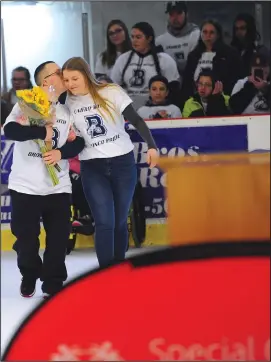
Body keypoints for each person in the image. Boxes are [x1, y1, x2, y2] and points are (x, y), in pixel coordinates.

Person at [62, 56, 159, 268]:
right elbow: (67, 134)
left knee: (119, 221)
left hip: (122, 164)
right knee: (105, 221)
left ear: (86, 75)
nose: (70, 84)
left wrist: (152, 146)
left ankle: (118, 267)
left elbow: (136, 119)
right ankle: (105, 273)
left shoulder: (111, 91)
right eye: (66, 80)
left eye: (74, 78)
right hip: (92, 167)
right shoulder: (67, 102)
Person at [3, 61, 85, 298]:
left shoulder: (66, 110)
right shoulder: (25, 105)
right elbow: (10, 131)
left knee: (59, 239)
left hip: (58, 186)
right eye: (57, 72)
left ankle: (53, 279)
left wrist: (61, 153)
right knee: (26, 239)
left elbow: (78, 142)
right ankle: (29, 273)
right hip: (25, 186)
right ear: (45, 82)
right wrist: (41, 131)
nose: (63, 75)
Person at [111, 22, 180, 110]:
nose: (134, 41)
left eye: (138, 37)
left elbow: (173, 90)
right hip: (129, 112)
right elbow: (113, 87)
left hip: (156, 111)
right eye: (132, 37)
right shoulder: (122, 59)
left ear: (149, 38)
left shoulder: (165, 60)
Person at [181, 19, 242, 108]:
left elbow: (235, 79)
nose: (207, 36)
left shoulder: (230, 54)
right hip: (197, 102)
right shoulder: (193, 55)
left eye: (211, 32)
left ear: (218, 35)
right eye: (204, 32)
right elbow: (187, 83)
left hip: (222, 101)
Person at [156, 1, 200, 81]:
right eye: (171, 14)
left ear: (186, 14)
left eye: (179, 13)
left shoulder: (197, 35)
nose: (175, 18)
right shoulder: (160, 41)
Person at [231, 13, 270, 78]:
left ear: (250, 30)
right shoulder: (232, 52)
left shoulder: (261, 52)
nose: (239, 32)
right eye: (236, 29)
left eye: (242, 28)